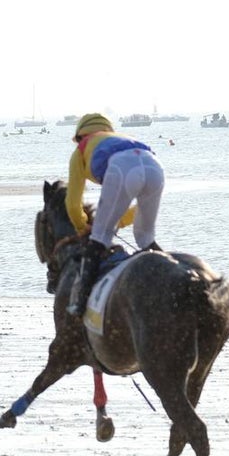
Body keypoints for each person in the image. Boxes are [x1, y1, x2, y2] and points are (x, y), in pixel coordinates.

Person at [65, 113, 166, 316]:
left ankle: (80, 302)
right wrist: (118, 220)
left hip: (122, 167)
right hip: (155, 166)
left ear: (80, 136)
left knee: (99, 238)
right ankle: (169, 274)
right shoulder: (121, 138)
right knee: (146, 238)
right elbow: (136, 209)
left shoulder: (81, 150)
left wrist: (82, 226)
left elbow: (73, 204)